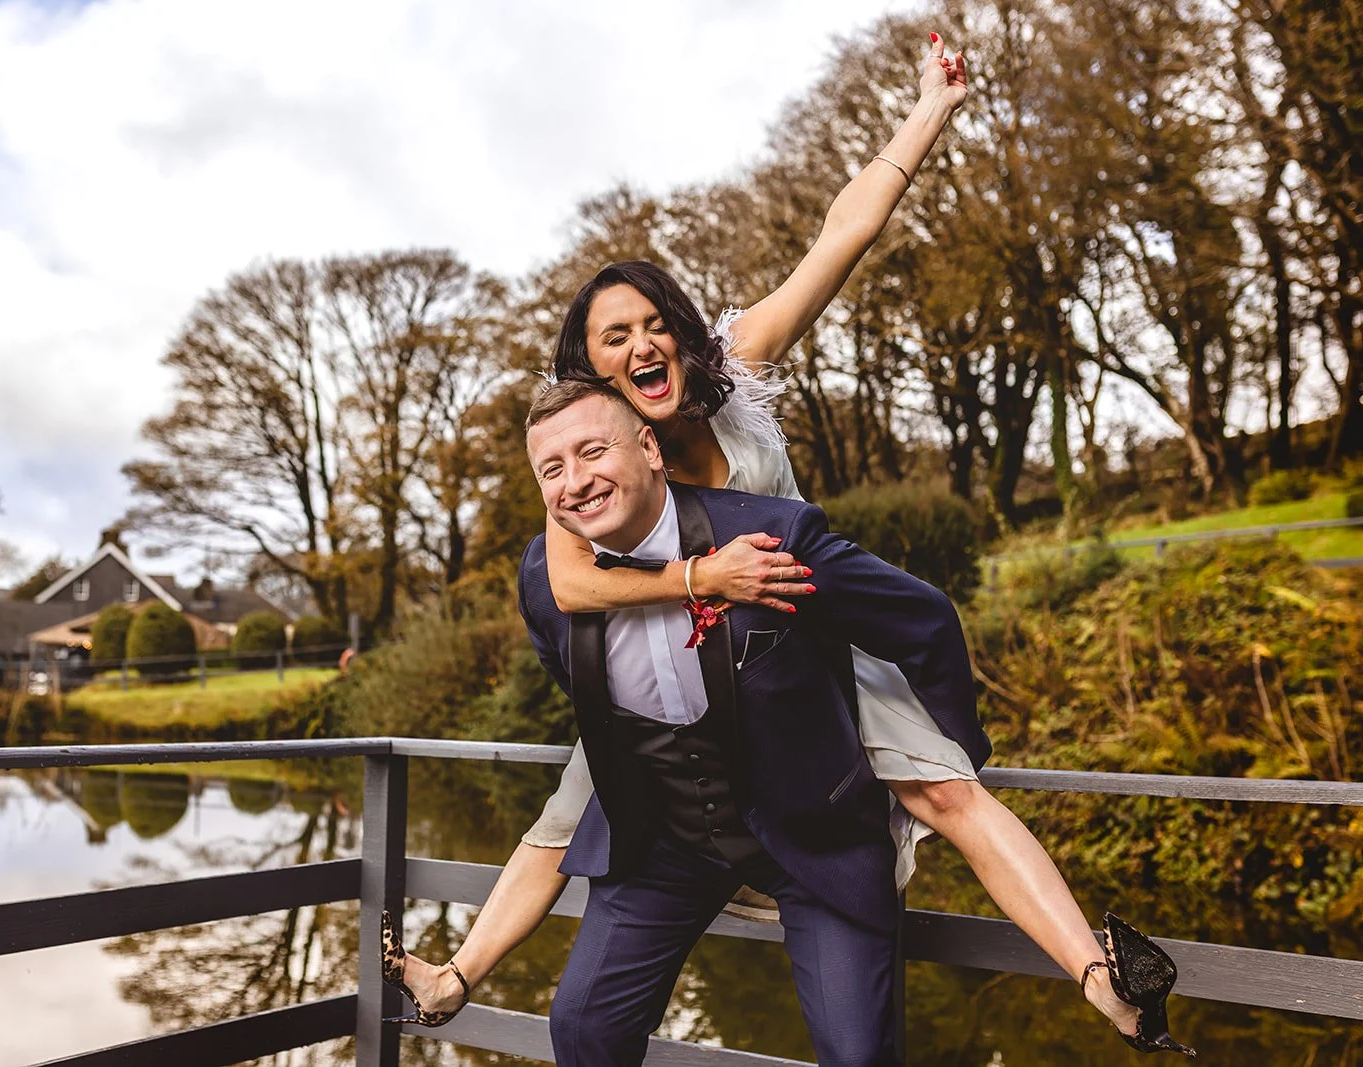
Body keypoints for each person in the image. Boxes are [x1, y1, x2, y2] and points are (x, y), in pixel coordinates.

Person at [385, 31, 1194, 1058]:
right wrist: (701, 574)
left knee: (945, 784)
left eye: (650, 324)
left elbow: (840, 236)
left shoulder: (736, 368)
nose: (641, 347)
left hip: (804, 633)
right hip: (685, 659)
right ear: (591, 376)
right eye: (612, 339)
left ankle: (1102, 976)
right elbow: (574, 588)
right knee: (576, 806)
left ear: (677, 329)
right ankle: (456, 975)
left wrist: (930, 110)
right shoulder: (595, 466)